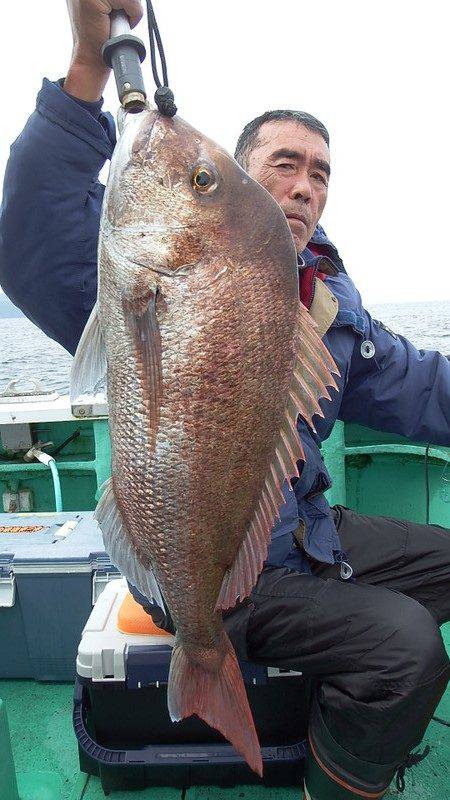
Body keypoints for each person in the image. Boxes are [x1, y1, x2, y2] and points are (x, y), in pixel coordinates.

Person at [0, 2, 449, 798]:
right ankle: (330, 778)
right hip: (193, 571)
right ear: (242, 177)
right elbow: (31, 234)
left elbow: (422, 387)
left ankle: (336, 694)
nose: (304, 187)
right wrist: (88, 68)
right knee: (408, 649)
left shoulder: (328, 307)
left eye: (320, 174)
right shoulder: (149, 277)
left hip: (300, 537)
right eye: (285, 164)